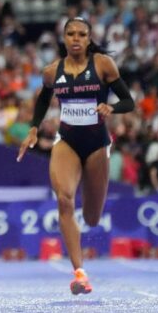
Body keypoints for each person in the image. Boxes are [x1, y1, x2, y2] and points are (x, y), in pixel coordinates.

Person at [17, 17, 135, 295]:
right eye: (70, 34)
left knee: (93, 218)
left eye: (82, 34)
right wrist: (34, 128)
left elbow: (129, 101)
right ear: (64, 38)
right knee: (65, 199)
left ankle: (89, 222)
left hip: (96, 145)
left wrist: (111, 108)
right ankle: (80, 274)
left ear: (89, 38)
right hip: (67, 141)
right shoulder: (51, 71)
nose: (76, 38)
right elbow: (44, 98)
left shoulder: (103, 64)